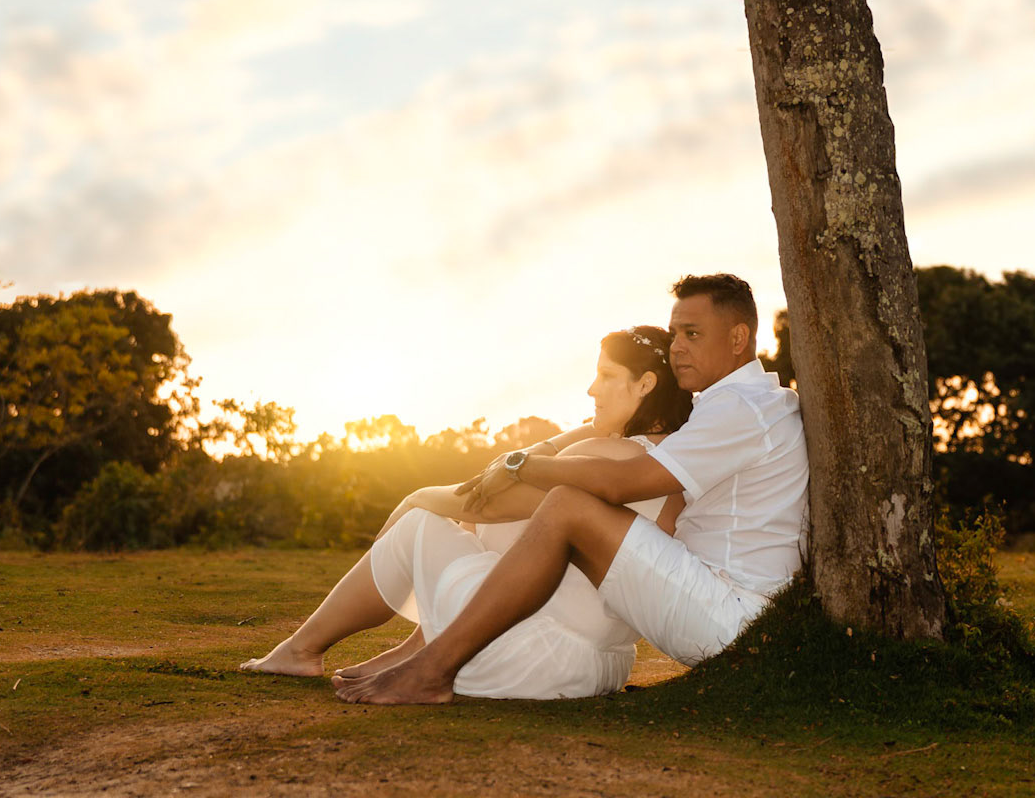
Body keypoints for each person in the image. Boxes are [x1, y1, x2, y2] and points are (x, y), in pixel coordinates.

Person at [334, 271, 808, 705]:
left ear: (739, 337)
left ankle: (432, 671)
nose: (677, 346)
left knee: (566, 508)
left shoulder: (742, 408)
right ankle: (430, 660)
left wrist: (524, 465)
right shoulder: (745, 402)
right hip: (721, 601)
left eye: (693, 333)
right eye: (676, 332)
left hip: (732, 614)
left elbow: (618, 483)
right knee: (567, 506)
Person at [240, 326, 691, 699]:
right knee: (486, 534)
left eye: (606, 375)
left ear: (645, 384)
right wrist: (583, 430)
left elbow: (486, 501)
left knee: (421, 523)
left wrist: (414, 497)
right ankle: (409, 649)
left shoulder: (605, 455)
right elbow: (509, 478)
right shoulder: (666, 467)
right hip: (595, 668)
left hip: (521, 657)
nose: (592, 389)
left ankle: (302, 649)